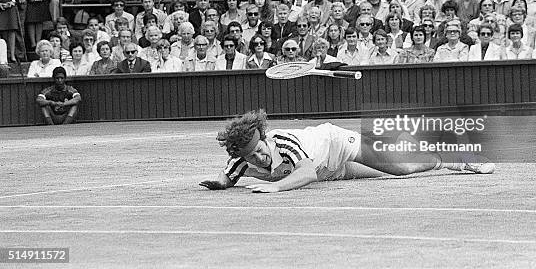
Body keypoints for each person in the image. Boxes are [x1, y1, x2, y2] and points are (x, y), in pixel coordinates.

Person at [200, 110, 494, 193]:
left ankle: (450, 159)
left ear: (265, 138)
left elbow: (305, 173)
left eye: (260, 151)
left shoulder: (284, 142)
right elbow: (227, 177)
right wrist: (219, 182)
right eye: (251, 157)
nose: (258, 159)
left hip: (338, 146)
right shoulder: (241, 160)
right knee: (383, 171)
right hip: (334, 172)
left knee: (401, 170)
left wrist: (276, 189)